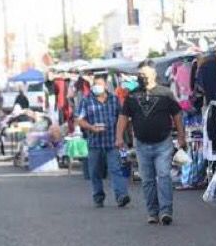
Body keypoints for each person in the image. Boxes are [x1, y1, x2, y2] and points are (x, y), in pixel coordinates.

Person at [116, 60, 186, 225]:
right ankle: (152, 212)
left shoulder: (165, 93)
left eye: (146, 75)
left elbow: (177, 115)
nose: (143, 78)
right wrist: (119, 137)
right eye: (140, 75)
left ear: (154, 74)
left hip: (163, 143)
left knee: (163, 176)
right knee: (147, 180)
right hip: (141, 144)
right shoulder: (131, 95)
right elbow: (123, 117)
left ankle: (166, 211)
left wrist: (181, 136)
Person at [76, 76, 130, 208]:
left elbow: (122, 117)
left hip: (112, 141)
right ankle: (98, 196)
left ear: (106, 85)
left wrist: (122, 137)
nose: (96, 87)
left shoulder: (114, 99)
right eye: (94, 84)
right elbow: (80, 119)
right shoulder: (86, 100)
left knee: (116, 169)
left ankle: (121, 196)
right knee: (95, 172)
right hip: (95, 143)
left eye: (99, 84)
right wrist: (91, 127)